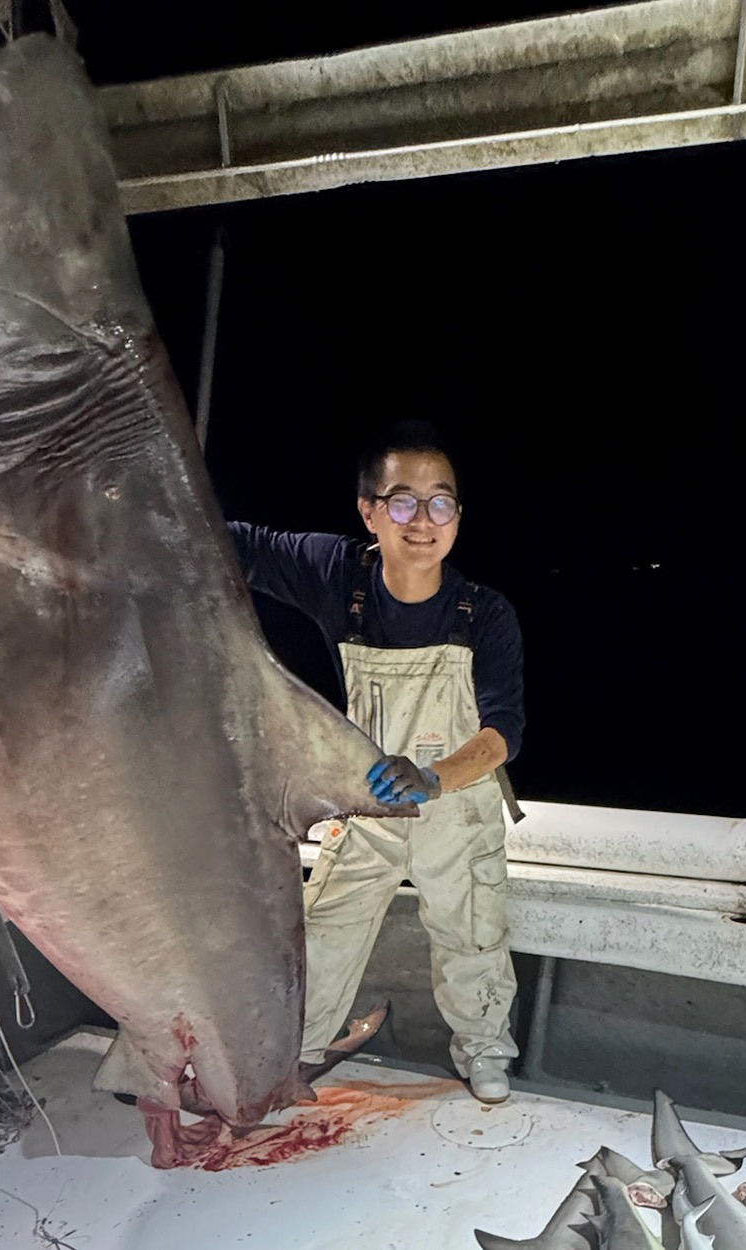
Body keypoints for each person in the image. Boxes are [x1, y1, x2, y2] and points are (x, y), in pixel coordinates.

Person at [226, 421, 524, 1103]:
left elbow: (502, 732)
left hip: (458, 800)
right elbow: (236, 546)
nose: (423, 520)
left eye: (440, 503)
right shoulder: (338, 576)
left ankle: (483, 1048)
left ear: (458, 515)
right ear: (369, 511)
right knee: (324, 925)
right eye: (402, 501)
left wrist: (434, 777)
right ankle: (294, 1049)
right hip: (367, 798)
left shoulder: (486, 613)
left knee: (472, 932)